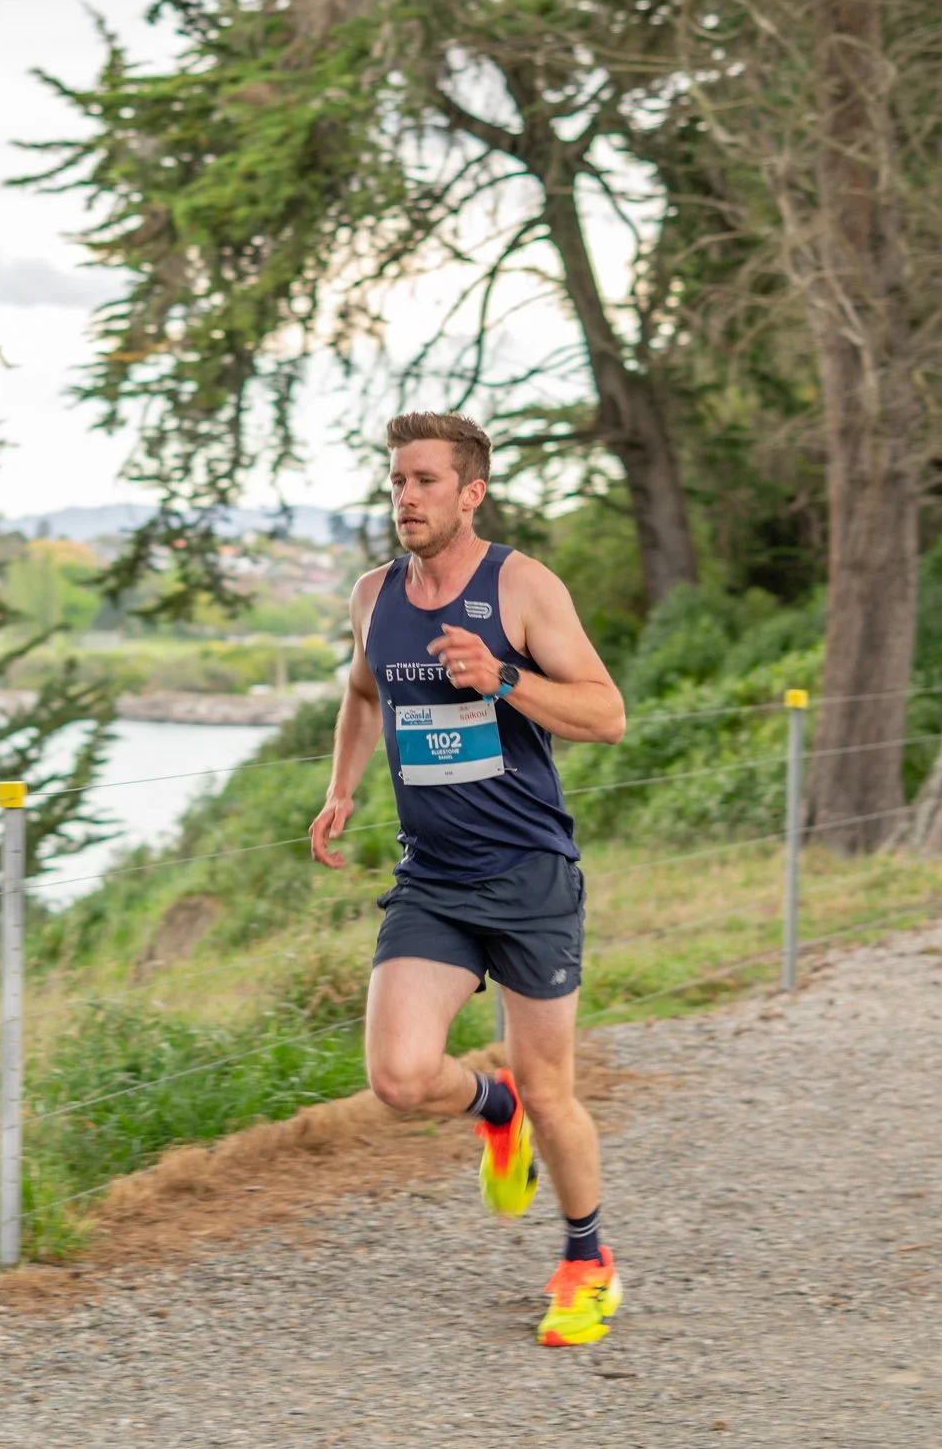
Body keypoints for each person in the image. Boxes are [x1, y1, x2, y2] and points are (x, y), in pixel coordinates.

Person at [309, 412, 629, 1346]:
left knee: (551, 1081)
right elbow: (365, 692)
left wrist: (501, 679)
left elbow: (606, 714)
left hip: (529, 874)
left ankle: (586, 1260)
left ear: (470, 492)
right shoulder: (376, 595)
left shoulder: (520, 586)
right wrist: (341, 791)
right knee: (400, 1077)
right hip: (433, 879)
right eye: (397, 480)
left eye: (425, 481)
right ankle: (494, 1113)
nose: (405, 497)